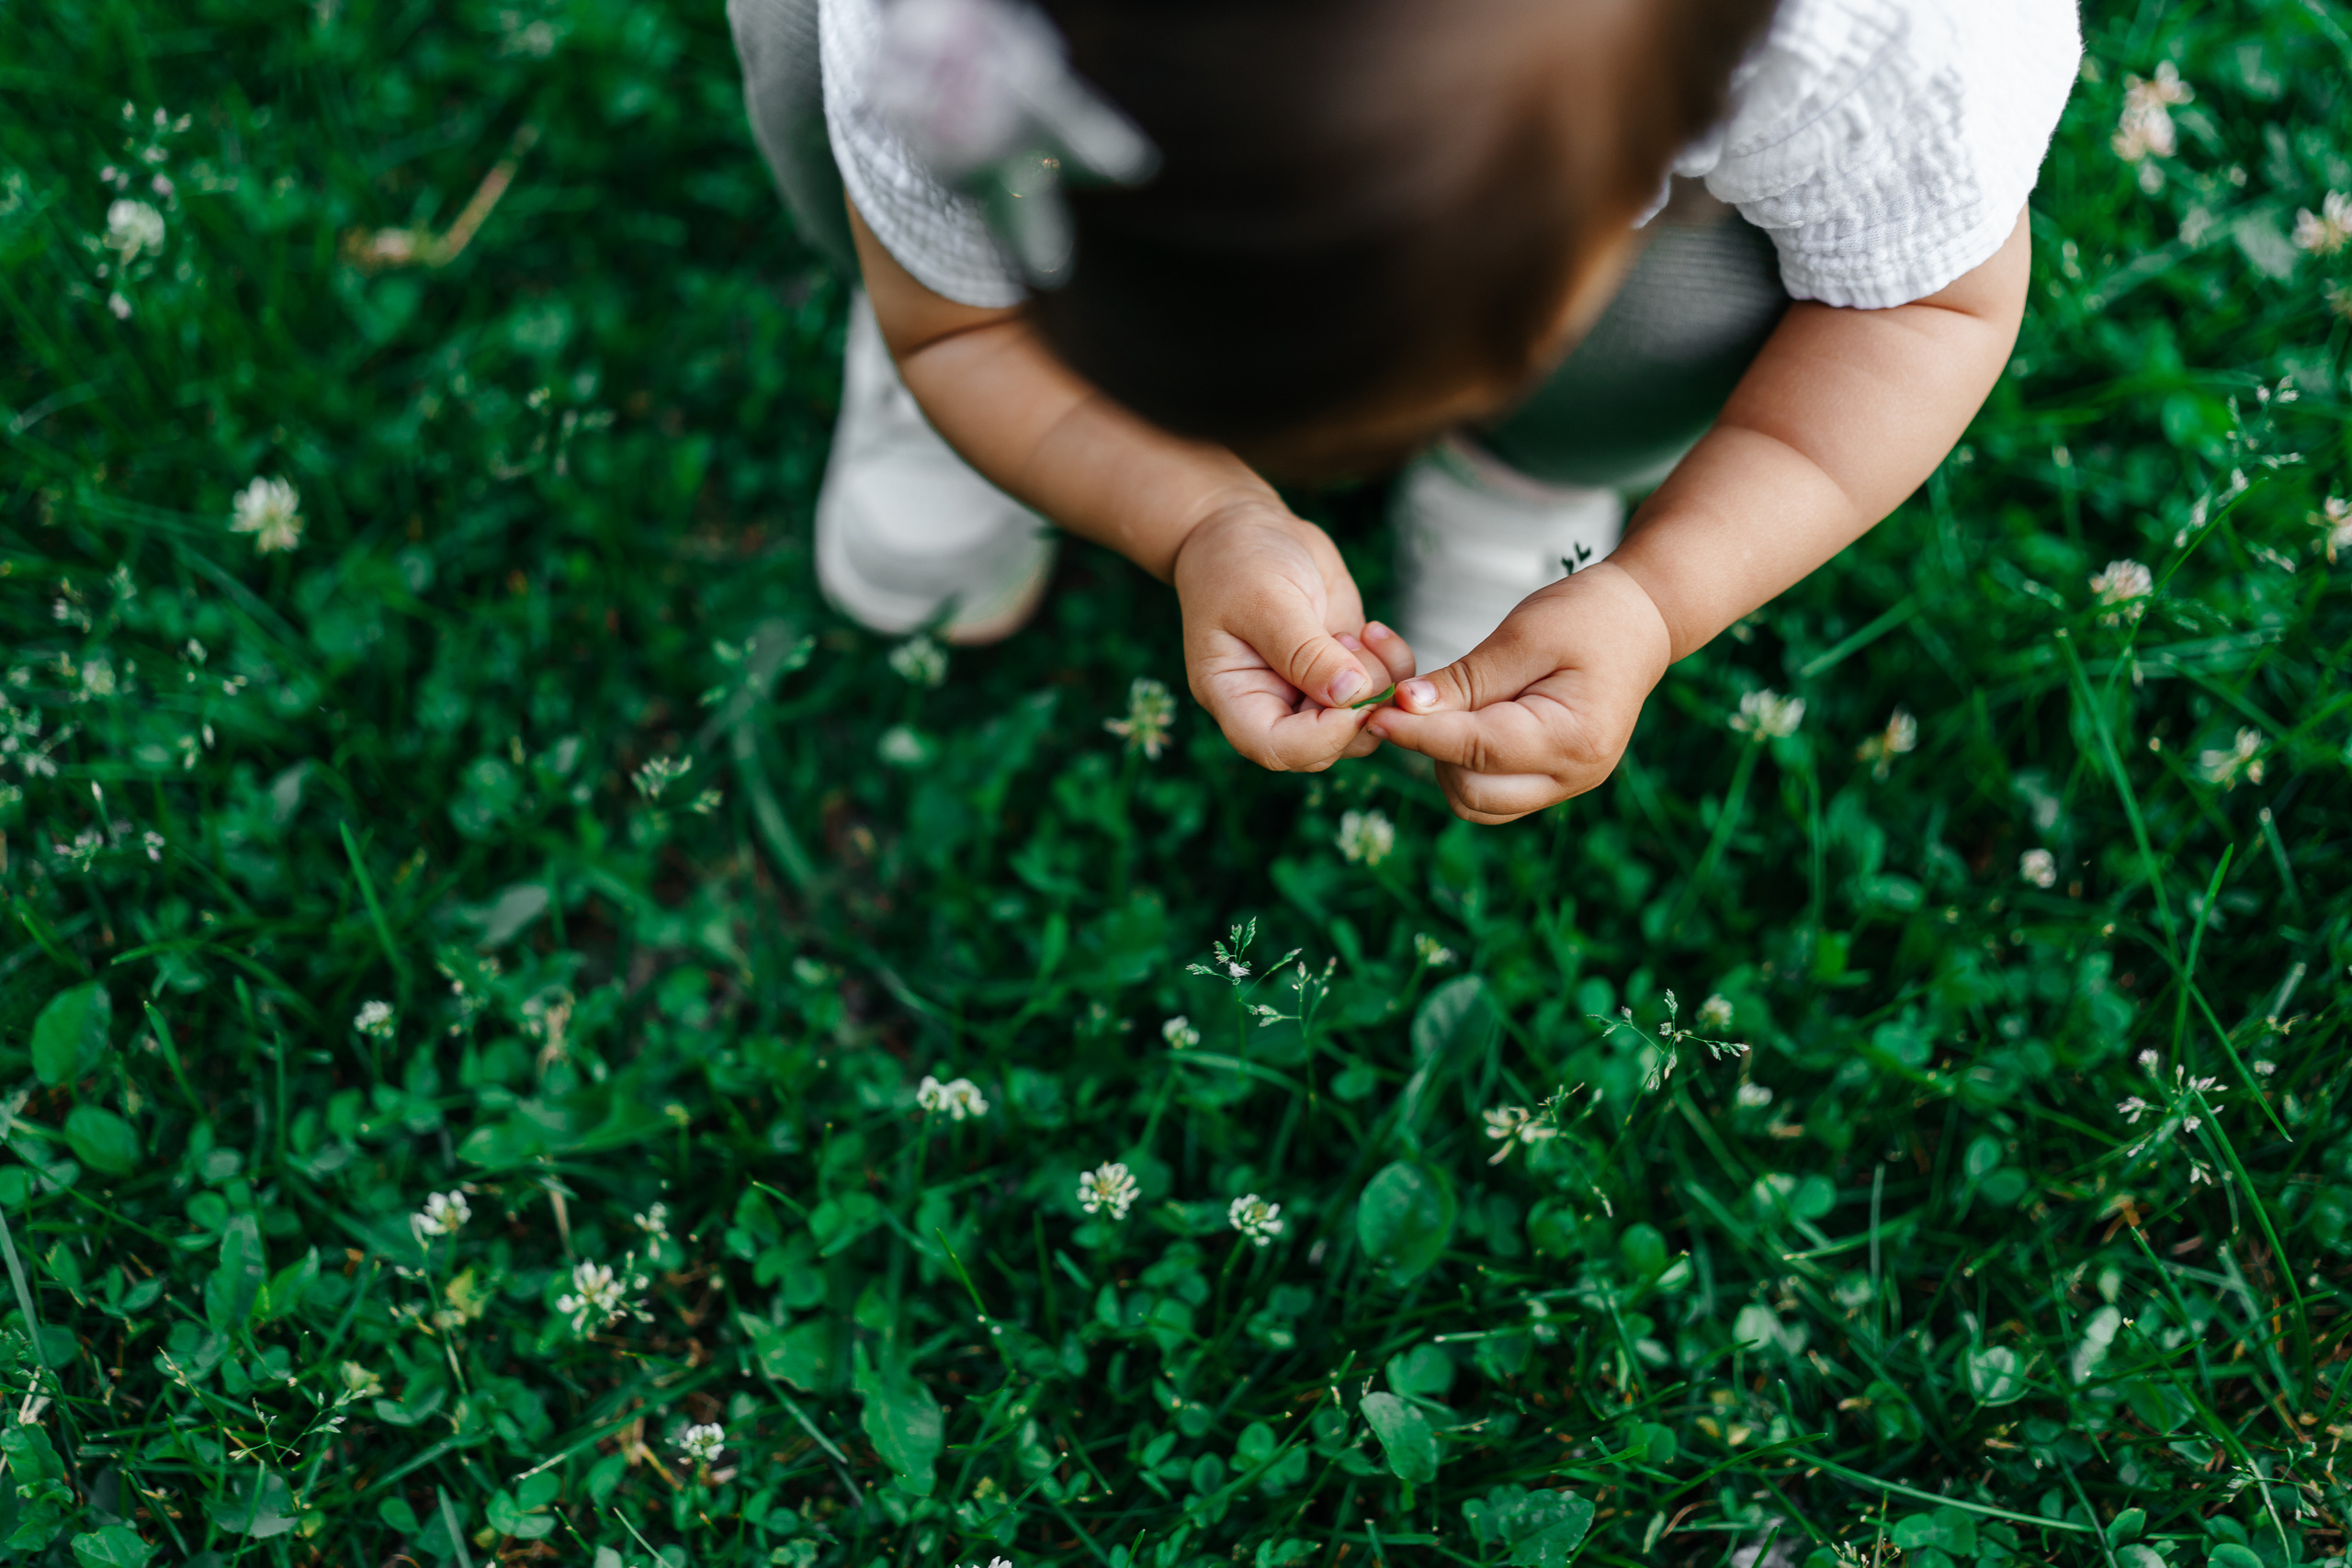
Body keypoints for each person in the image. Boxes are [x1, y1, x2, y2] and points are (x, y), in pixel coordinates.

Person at [728, 0, 2079, 822]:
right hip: (971, 99)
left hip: (1706, 169)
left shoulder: (1883, 35)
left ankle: (1536, 458)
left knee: (1728, 291)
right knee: (810, 42)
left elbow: (1923, 311)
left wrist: (1659, 594)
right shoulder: (952, 19)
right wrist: (1193, 511)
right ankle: (990, 315)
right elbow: (948, 293)